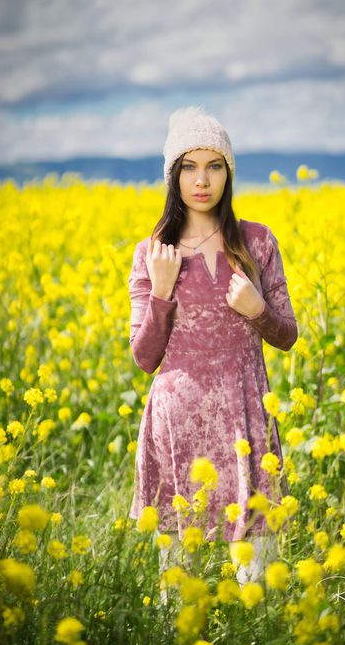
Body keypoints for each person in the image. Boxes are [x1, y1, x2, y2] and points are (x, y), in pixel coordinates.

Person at [127, 106, 298, 586]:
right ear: (173, 176)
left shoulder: (258, 242)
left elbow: (287, 334)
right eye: (189, 166)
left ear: (229, 172)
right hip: (176, 427)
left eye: (214, 165)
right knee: (179, 588)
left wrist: (256, 309)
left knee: (258, 581)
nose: (202, 180)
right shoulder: (152, 253)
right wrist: (161, 293)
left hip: (246, 424)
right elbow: (145, 358)